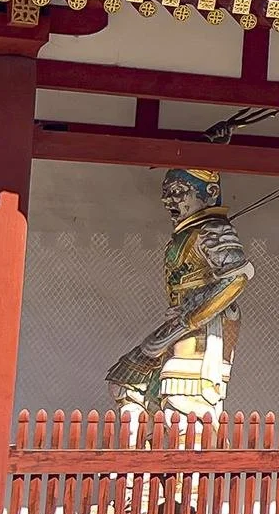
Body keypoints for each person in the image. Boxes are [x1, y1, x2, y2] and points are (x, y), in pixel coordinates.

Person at [105, 166, 254, 420]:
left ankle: (192, 451)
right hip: (180, 322)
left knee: (183, 394)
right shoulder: (189, 233)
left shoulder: (213, 229)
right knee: (128, 383)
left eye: (177, 192)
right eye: (166, 193)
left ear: (210, 191)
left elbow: (236, 276)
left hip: (205, 325)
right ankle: (143, 450)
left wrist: (191, 314)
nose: (168, 200)